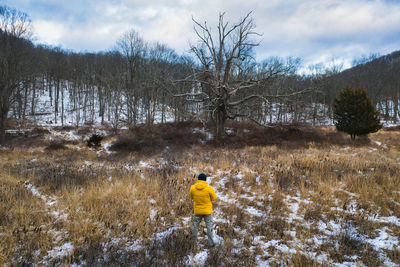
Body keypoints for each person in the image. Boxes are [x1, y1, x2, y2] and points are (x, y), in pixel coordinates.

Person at [189, 173, 218, 248]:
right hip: (207, 211)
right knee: (209, 226)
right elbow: (214, 198)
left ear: (198, 179)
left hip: (197, 211)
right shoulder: (209, 188)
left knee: (195, 226)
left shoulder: (192, 188)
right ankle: (211, 243)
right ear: (205, 180)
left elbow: (191, 197)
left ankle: (193, 242)